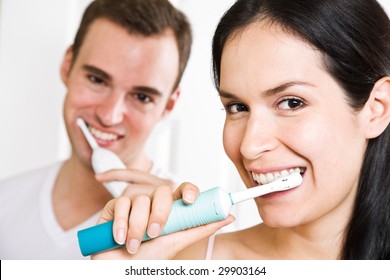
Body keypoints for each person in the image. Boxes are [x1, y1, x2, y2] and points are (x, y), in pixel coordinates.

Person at [92, 0, 390, 260]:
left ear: (377, 108)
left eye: (291, 102)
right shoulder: (191, 264)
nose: (249, 146)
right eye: (237, 107)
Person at [0, 0, 192, 259]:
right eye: (97, 80)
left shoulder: (192, 233)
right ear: (68, 66)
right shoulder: (5, 202)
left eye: (142, 97)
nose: (109, 116)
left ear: (168, 105)